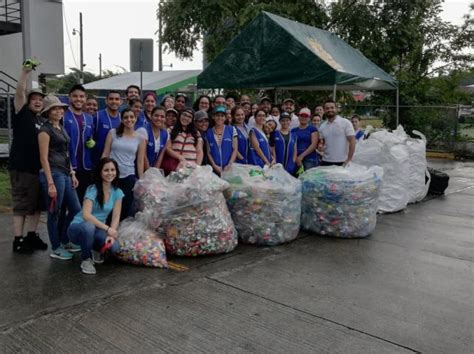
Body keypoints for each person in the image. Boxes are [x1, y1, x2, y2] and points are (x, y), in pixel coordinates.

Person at [38, 95, 82, 260]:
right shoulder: (45, 130)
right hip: (54, 173)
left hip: (65, 173)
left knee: (75, 209)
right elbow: (43, 158)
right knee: (54, 212)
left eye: (60, 108)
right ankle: (56, 247)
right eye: (54, 108)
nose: (59, 111)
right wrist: (50, 183)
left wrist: (72, 172)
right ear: (48, 112)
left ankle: (64, 240)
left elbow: (66, 152)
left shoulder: (60, 127)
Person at [9, 65, 47, 253]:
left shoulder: (40, 121)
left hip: (36, 170)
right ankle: (18, 240)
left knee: (36, 205)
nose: (38, 102)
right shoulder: (21, 112)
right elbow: (19, 92)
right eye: (34, 99)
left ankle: (31, 236)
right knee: (22, 205)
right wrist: (24, 72)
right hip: (21, 168)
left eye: (41, 100)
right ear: (28, 101)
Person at [68, 157, 123, 275]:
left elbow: (116, 216)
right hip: (78, 228)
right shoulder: (92, 189)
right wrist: (107, 228)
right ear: (100, 172)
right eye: (106, 170)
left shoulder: (117, 192)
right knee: (89, 227)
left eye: (113, 170)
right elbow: (86, 215)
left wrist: (111, 234)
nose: (110, 173)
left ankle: (95, 249)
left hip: (98, 229)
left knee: (115, 247)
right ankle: (86, 259)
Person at [101, 108, 146, 220]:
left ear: (135, 119)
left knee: (124, 206)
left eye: (131, 117)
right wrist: (101, 171)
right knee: (108, 205)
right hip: (111, 175)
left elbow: (140, 161)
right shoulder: (113, 133)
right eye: (126, 117)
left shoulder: (140, 138)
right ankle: (105, 231)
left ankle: (119, 233)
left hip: (128, 175)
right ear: (121, 119)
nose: (129, 120)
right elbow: (106, 153)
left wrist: (141, 180)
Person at [63, 84, 95, 203]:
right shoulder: (63, 116)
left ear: (85, 98)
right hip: (68, 166)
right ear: (69, 97)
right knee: (67, 204)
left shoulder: (89, 118)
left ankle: (80, 222)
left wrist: (91, 142)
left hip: (85, 167)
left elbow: (90, 138)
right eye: (75, 96)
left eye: (81, 96)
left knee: (83, 202)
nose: (78, 99)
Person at [163, 108, 203, 174]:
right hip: (174, 166)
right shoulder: (170, 130)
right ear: (180, 115)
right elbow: (168, 148)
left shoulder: (196, 133)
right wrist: (180, 157)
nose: (186, 118)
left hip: (191, 168)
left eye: (189, 117)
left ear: (192, 120)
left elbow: (199, 151)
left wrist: (197, 167)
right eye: (184, 115)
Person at [318, 100, 356, 166]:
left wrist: (348, 160)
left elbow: (352, 141)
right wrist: (320, 147)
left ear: (336, 109)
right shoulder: (322, 126)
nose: (330, 110)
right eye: (327, 108)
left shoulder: (345, 123)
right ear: (324, 110)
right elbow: (321, 143)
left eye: (332, 107)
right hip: (325, 161)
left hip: (342, 162)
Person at [93, 90, 123, 165]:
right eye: (111, 99)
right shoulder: (97, 116)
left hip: (117, 161)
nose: (114, 101)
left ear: (121, 102)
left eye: (117, 99)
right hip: (98, 160)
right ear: (106, 101)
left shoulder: (122, 119)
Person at [206, 105, 238, 175]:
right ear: (213, 117)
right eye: (217, 115)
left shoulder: (232, 129)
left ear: (225, 118)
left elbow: (235, 149)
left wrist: (230, 164)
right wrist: (214, 165)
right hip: (215, 169)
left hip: (229, 168)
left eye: (222, 116)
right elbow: (209, 152)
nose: (219, 118)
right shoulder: (208, 132)